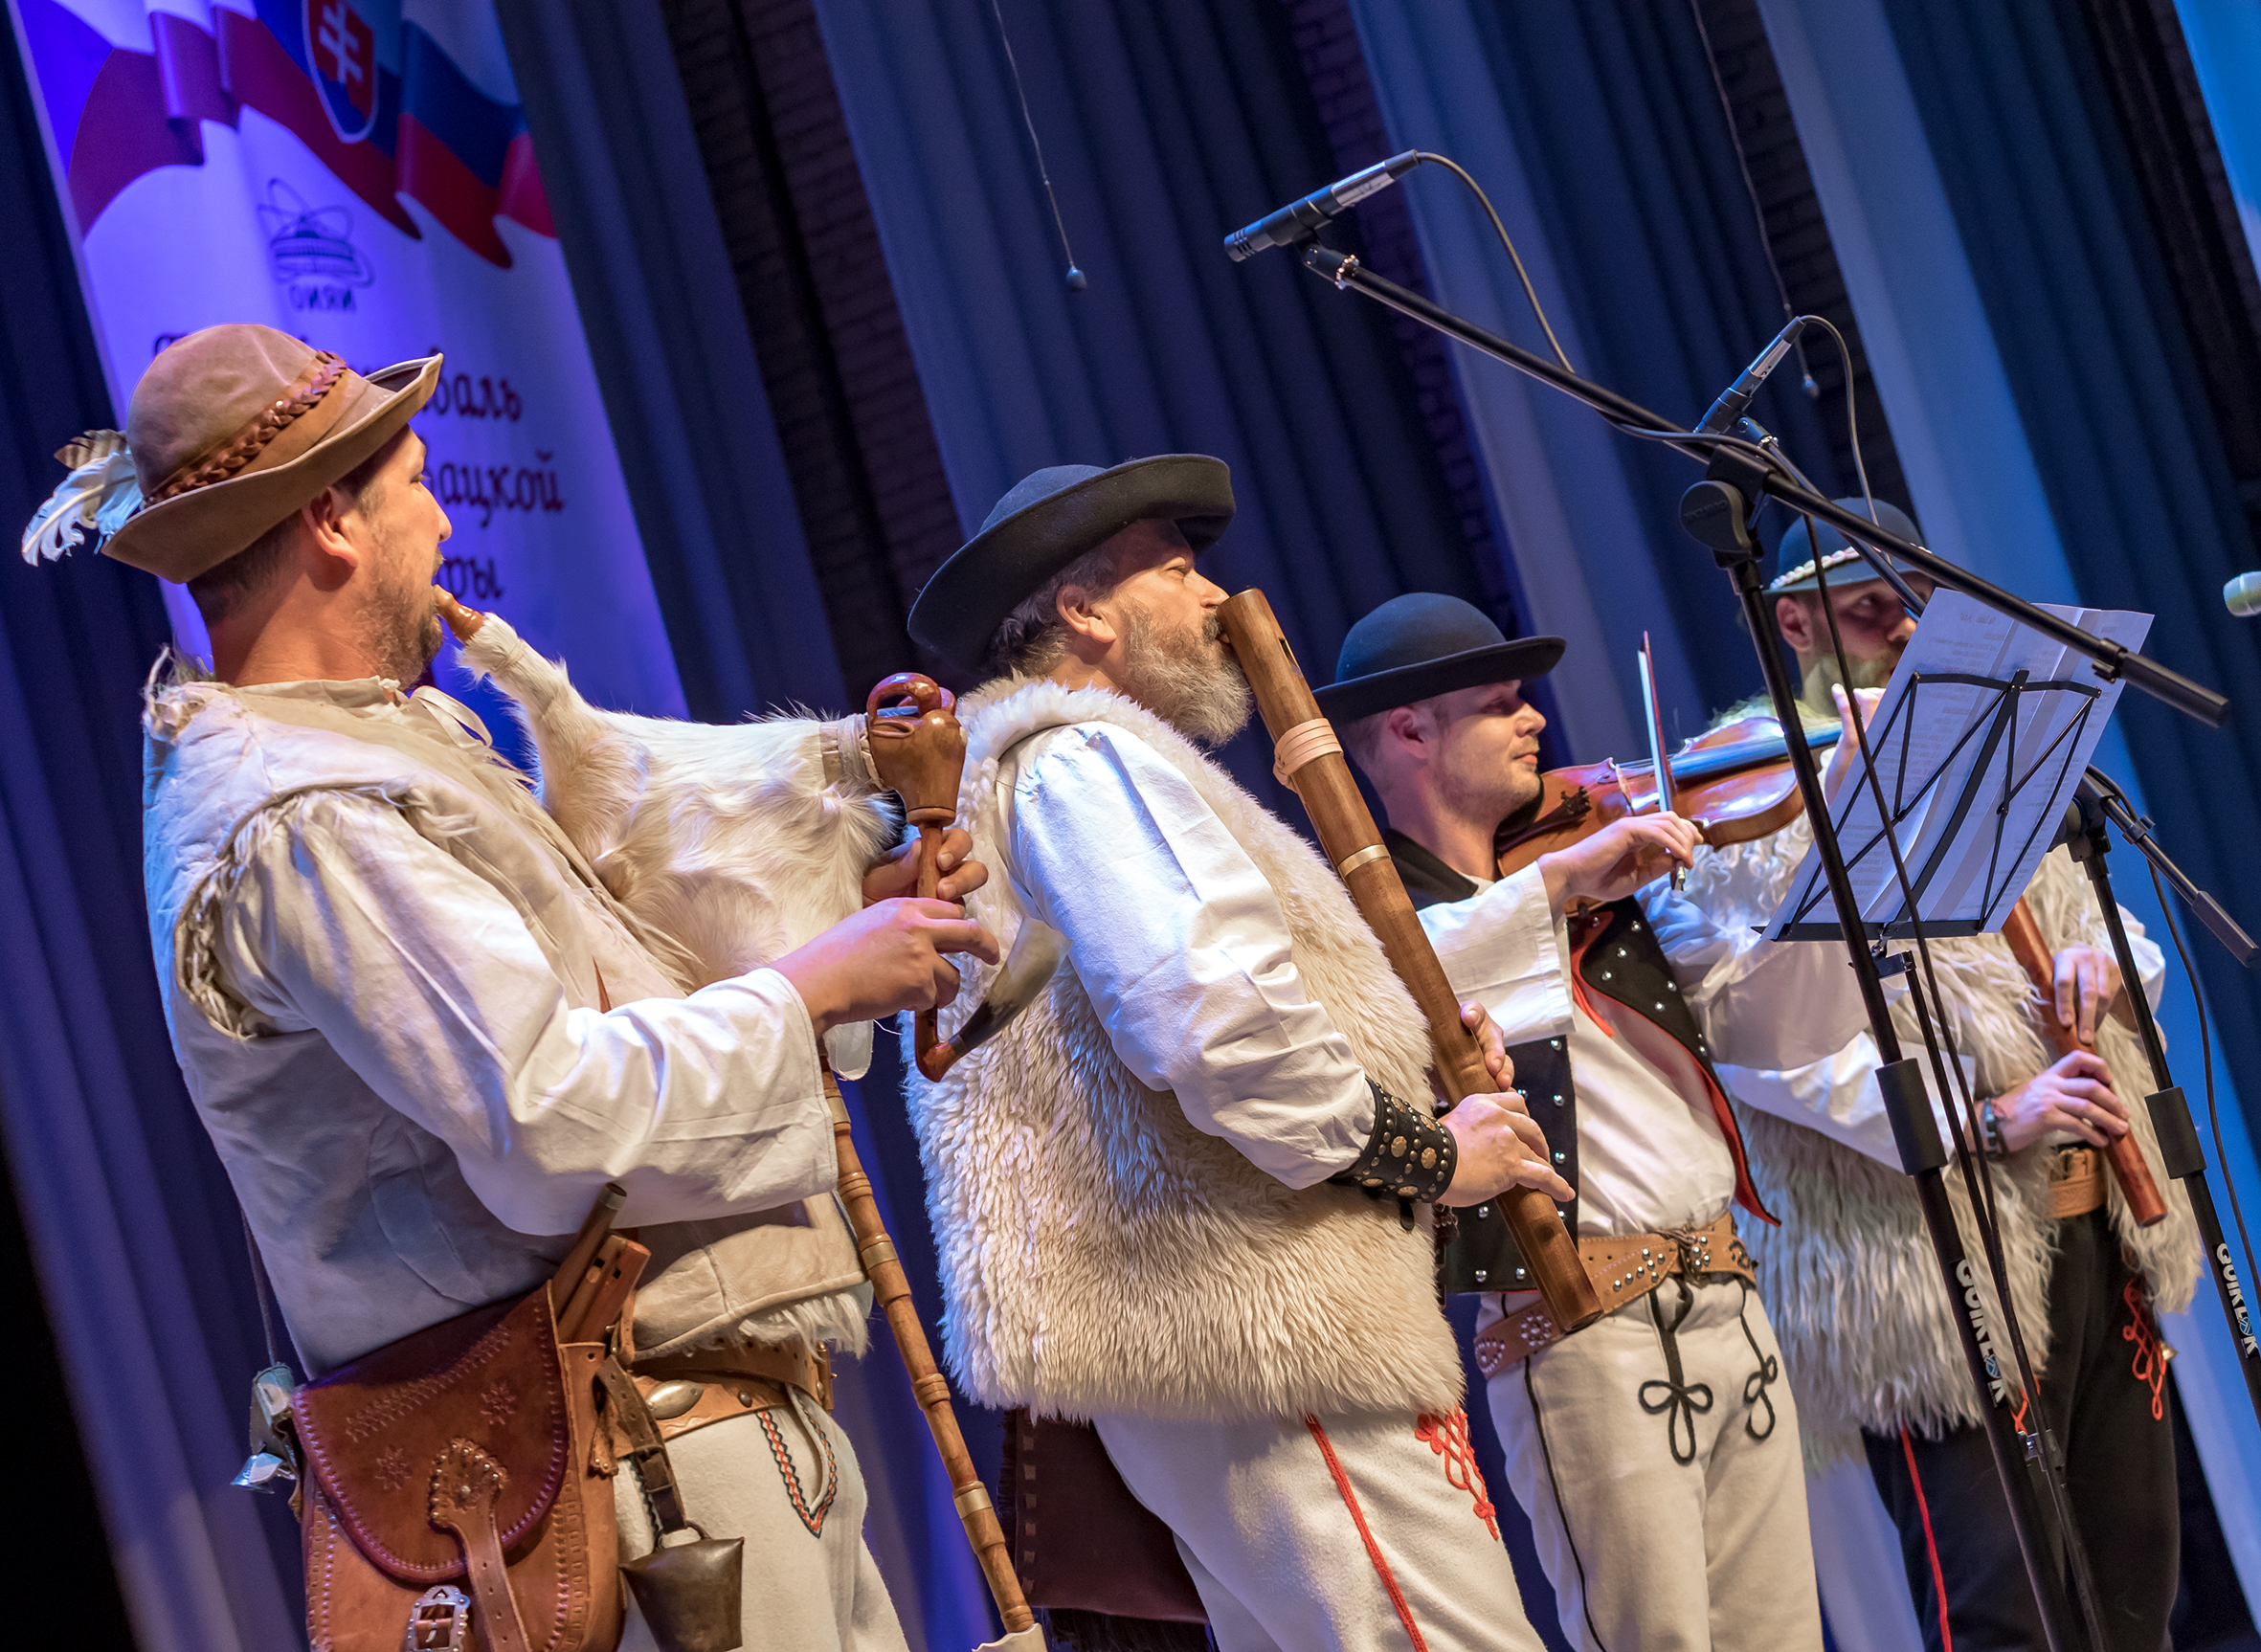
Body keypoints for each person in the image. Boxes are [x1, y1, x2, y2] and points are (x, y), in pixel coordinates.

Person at [27, 324, 1000, 1652]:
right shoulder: (310, 814)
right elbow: (548, 1123)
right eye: (417, 484)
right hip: (634, 1468)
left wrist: (848, 926)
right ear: (330, 523)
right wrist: (803, 992)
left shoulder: (381, 749)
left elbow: (588, 1007)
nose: (441, 521)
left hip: (679, 1441)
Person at [901, 457, 1703, 1652]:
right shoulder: (1082, 759)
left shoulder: (1048, 771)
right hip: (1260, 1322)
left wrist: (1404, 1059)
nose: (1212, 597)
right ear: (1084, 610)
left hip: (1228, 1332)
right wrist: (1433, 1152)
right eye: (1178, 570)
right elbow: (1212, 1022)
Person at [1680, 502, 2200, 1652]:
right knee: (2000, 1606)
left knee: (2134, 1584)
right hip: (1925, 1254)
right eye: (1871, 609)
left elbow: (2110, 929)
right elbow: (1757, 1039)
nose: (1906, 631)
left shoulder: (1986, 751)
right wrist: (1981, 1115)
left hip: (2087, 1221)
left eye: (1915, 605)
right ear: (1795, 623)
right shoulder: (1755, 794)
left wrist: (2102, 959)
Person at [1322, 592, 1869, 1651]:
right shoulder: (1373, 923)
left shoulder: (1597, 880)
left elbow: (1764, 1023)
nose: (1535, 718)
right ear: (1410, 731)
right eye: (1499, 704)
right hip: (1582, 1328)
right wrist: (1556, 884)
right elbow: (1398, 984)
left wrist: (1837, 844)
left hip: (1724, 1289)